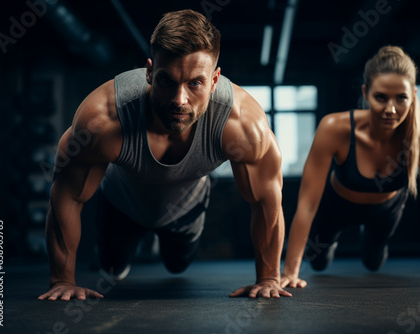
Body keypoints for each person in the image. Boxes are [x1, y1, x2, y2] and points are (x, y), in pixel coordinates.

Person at [38, 9, 291, 301]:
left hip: (186, 209)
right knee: (111, 267)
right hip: (121, 205)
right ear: (148, 72)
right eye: (166, 81)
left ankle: (162, 243)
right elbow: (66, 193)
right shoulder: (104, 119)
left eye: (195, 83)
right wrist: (61, 281)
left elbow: (266, 201)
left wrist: (269, 278)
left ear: (214, 80)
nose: (178, 100)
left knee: (177, 264)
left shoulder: (243, 124)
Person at [280, 46, 420, 289]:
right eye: (381, 97)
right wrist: (290, 271)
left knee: (373, 262)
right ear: (366, 93)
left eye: (401, 98)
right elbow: (308, 203)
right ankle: (329, 244)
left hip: (385, 210)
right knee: (318, 262)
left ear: (413, 95)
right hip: (337, 206)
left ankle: (372, 239)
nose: (391, 109)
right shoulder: (334, 127)